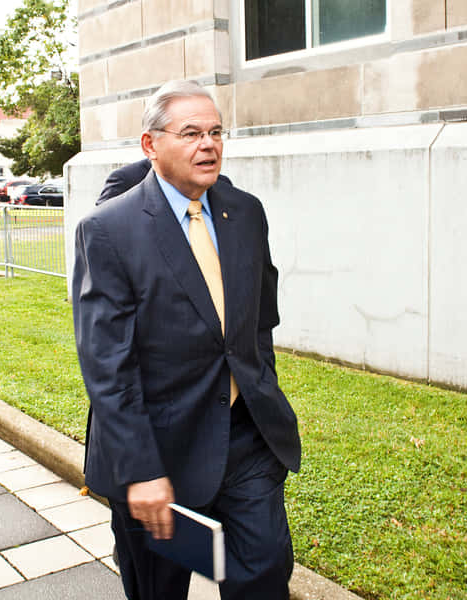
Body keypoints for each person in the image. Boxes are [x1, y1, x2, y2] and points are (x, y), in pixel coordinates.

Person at [73, 80, 301, 600]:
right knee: (159, 591)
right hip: (158, 454)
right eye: (192, 132)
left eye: (217, 132)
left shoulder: (245, 212)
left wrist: (259, 392)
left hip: (245, 443)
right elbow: (109, 368)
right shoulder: (109, 231)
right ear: (150, 145)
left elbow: (259, 321)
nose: (209, 144)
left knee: (263, 578)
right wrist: (143, 470)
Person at [97, 157, 232, 205]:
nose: (207, 143)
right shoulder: (126, 180)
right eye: (190, 134)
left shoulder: (223, 186)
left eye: (214, 132)